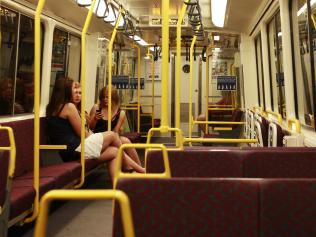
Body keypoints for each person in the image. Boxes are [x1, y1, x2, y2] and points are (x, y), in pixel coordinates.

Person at [46, 78, 145, 180]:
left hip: (71, 149)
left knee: (115, 151)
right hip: (75, 150)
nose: (77, 94)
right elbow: (83, 134)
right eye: (74, 90)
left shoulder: (54, 107)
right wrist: (103, 138)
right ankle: (138, 169)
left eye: (79, 92)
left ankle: (117, 186)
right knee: (112, 135)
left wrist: (101, 137)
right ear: (66, 91)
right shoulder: (69, 107)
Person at [89, 86, 141, 166]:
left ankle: (138, 166)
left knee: (126, 141)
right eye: (103, 97)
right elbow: (90, 128)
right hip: (97, 138)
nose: (105, 99)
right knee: (123, 141)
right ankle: (129, 166)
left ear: (114, 98)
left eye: (107, 97)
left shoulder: (120, 113)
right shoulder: (97, 107)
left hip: (111, 138)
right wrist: (95, 119)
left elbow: (115, 132)